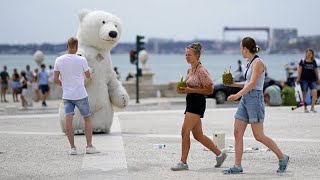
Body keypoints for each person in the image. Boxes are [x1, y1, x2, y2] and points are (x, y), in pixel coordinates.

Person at [224, 37, 289, 174]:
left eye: (240, 47)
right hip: (246, 99)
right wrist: (233, 84)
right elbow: (248, 83)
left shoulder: (258, 62)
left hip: (255, 99)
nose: (240, 50)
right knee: (237, 133)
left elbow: (253, 84)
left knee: (259, 136)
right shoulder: (249, 62)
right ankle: (237, 166)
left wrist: (236, 95)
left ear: (245, 49)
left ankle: (282, 157)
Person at [170, 43, 227, 171]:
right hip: (190, 102)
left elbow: (210, 89)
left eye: (189, 55)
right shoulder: (190, 70)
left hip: (197, 103)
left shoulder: (202, 70)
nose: (187, 57)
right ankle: (220, 154)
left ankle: (183, 162)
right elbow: (190, 87)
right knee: (198, 135)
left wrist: (191, 90)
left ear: (197, 55)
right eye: (185, 55)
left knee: (184, 131)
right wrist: (184, 89)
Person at [54, 37, 99, 155]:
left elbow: (55, 80)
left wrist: (65, 85)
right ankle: (89, 146)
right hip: (80, 94)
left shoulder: (58, 60)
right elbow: (88, 76)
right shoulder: (82, 60)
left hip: (67, 96)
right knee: (87, 119)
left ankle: (72, 148)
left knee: (69, 122)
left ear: (67, 46)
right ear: (76, 46)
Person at [296, 49, 320, 113]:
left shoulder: (314, 61)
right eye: (308, 53)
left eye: (310, 53)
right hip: (304, 80)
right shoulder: (303, 61)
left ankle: (312, 107)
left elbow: (316, 71)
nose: (309, 54)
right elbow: (299, 70)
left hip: (313, 80)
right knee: (304, 94)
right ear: (306, 54)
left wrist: (318, 79)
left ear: (312, 55)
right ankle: (305, 108)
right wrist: (298, 79)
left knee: (315, 92)